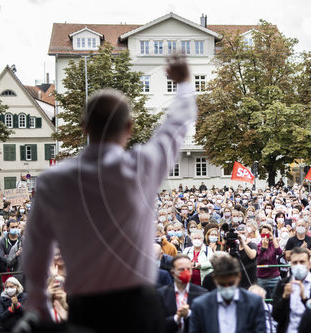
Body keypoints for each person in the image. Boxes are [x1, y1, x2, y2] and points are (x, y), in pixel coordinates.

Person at [22, 55, 196, 332]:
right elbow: (176, 126)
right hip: (138, 306)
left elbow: (35, 250)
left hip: (86, 308)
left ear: (84, 127)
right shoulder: (142, 166)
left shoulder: (53, 180)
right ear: (129, 128)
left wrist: (39, 305)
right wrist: (184, 83)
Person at [189, 254, 266, 332]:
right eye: (222, 284)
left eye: (231, 283)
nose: (227, 287)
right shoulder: (201, 305)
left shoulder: (254, 303)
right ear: (214, 279)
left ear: (238, 277)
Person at [157, 254, 207, 333]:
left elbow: (205, 323)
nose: (186, 272)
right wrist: (177, 318)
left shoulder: (202, 294)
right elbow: (158, 324)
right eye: (181, 269)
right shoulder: (161, 294)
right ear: (173, 272)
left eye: (188, 269)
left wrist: (189, 314)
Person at [272, 247, 311, 333]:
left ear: (309, 264)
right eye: (295, 262)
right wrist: (284, 298)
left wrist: (305, 299)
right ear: (291, 265)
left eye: (302, 262)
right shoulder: (283, 284)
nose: (298, 265)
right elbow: (276, 316)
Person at [257, 224, 282, 299]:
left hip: (274, 276)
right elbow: (258, 258)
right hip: (262, 277)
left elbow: (279, 252)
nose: (265, 236)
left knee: (276, 299)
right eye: (263, 234)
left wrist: (273, 239)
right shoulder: (258, 245)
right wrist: (263, 248)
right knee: (262, 299)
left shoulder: (273, 244)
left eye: (267, 234)